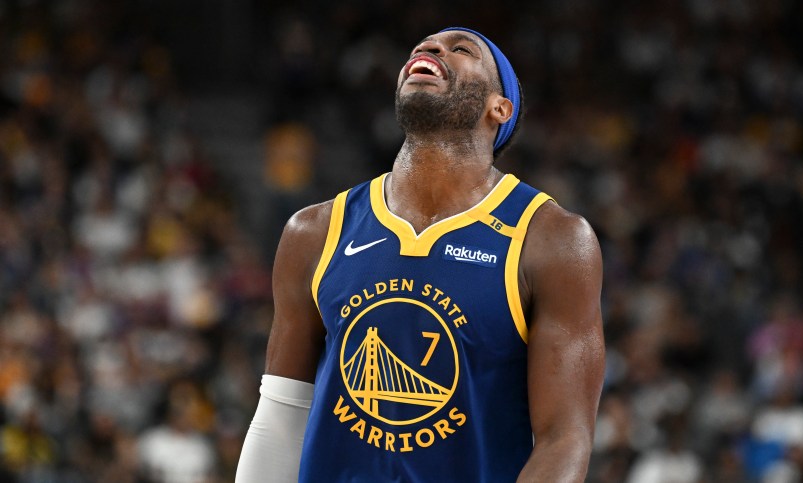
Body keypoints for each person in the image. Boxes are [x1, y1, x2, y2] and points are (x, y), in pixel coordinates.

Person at [236, 27, 605, 482]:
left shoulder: (552, 238)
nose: (431, 48)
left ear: (499, 108)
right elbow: (281, 417)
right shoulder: (314, 231)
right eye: (423, 46)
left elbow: (564, 439)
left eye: (462, 49)